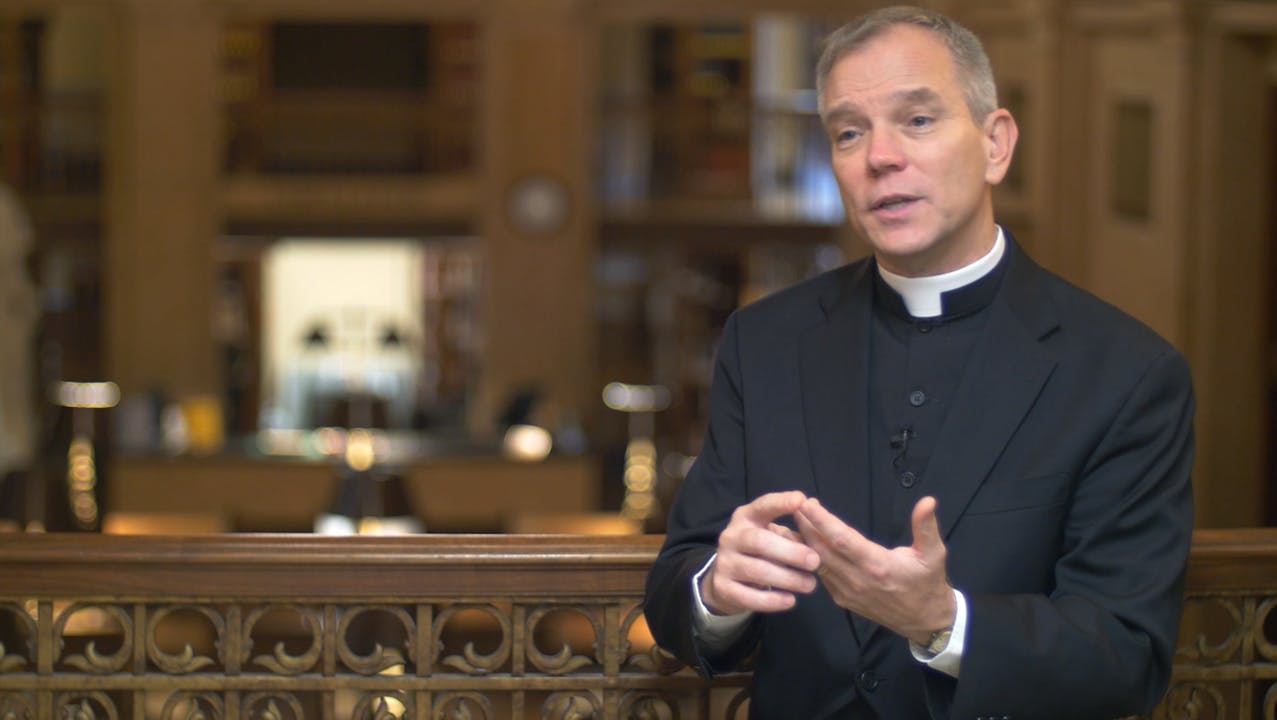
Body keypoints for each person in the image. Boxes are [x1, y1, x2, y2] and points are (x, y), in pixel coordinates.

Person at [643, 6, 1195, 719]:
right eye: (848, 132)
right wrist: (717, 589)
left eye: (917, 120)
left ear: (995, 144)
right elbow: (674, 591)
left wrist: (944, 623)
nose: (879, 156)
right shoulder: (764, 341)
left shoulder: (1125, 374)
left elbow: (1125, 656)